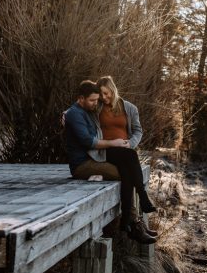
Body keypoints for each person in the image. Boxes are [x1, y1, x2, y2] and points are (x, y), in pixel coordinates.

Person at [63, 80, 156, 244]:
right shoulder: (76, 113)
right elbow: (87, 141)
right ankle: (132, 221)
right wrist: (115, 143)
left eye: (96, 100)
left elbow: (134, 128)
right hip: (82, 165)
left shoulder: (87, 110)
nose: (95, 103)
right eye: (92, 100)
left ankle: (130, 220)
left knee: (130, 162)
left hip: (95, 158)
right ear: (81, 98)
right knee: (127, 173)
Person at [96, 75, 157, 215]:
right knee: (131, 155)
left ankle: (126, 218)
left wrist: (130, 143)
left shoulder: (129, 108)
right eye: (100, 94)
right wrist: (67, 112)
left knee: (126, 173)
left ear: (113, 90)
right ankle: (143, 196)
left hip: (125, 151)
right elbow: (81, 106)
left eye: (106, 93)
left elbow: (138, 131)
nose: (103, 97)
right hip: (106, 150)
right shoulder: (97, 108)